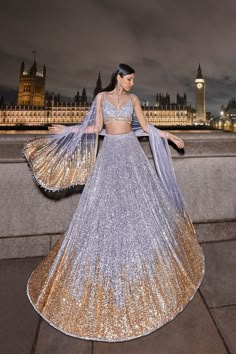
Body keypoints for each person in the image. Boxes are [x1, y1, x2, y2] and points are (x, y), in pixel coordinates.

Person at [24, 63, 205, 342]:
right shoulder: (101, 99)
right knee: (104, 211)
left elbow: (145, 127)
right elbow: (95, 127)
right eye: (129, 78)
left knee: (140, 210)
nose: (132, 83)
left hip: (131, 154)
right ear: (118, 78)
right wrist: (68, 131)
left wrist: (170, 135)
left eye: (134, 80)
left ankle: (144, 269)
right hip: (109, 157)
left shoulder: (133, 101)